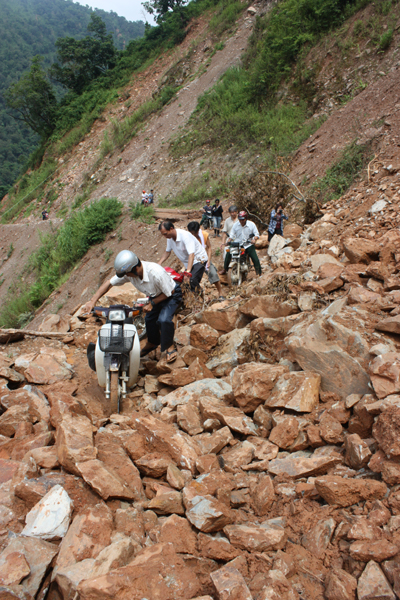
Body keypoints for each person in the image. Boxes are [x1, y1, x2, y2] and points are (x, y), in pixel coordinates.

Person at [82, 250, 182, 363]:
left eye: (126, 274)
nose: (125, 276)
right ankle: (153, 342)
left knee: (164, 320)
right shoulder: (130, 274)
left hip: (171, 294)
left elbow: (171, 291)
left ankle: (170, 346)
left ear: (135, 269)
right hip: (155, 295)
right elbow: (109, 283)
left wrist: (152, 303)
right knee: (149, 320)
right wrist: (92, 301)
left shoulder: (155, 272)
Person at [158, 221, 208, 293]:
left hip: (199, 258)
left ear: (171, 228)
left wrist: (188, 272)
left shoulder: (184, 236)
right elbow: (167, 252)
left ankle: (198, 298)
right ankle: (198, 295)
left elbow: (191, 254)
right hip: (188, 262)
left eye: (165, 234)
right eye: (163, 235)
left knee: (191, 280)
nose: (165, 236)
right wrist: (159, 263)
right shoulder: (170, 238)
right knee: (184, 282)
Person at [187, 221, 225, 301]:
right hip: (194, 260)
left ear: (198, 230)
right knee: (191, 279)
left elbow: (209, 248)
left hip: (204, 258)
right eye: (191, 233)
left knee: (213, 274)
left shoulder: (204, 235)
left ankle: (220, 293)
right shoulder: (187, 237)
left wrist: (208, 260)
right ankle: (199, 297)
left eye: (194, 233)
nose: (193, 235)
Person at [224, 211, 262, 276]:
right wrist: (228, 241)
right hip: (238, 244)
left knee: (255, 258)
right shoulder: (235, 225)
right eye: (240, 219)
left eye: (243, 219)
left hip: (248, 244)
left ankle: (259, 273)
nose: (241, 221)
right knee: (228, 253)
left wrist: (254, 239)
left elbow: (256, 234)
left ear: (246, 218)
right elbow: (232, 235)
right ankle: (225, 269)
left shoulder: (251, 224)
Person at [219, 205, 238, 273]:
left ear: (237, 212)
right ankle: (225, 268)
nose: (233, 214)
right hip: (230, 239)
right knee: (226, 251)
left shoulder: (240, 219)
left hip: (239, 239)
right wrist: (223, 242)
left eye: (234, 212)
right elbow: (224, 232)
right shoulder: (227, 220)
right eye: (231, 212)